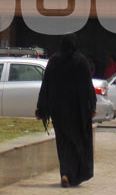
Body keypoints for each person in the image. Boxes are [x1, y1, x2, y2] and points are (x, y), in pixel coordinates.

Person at [36, 33, 96, 188]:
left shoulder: (54, 61)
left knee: (63, 143)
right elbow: (88, 86)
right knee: (77, 143)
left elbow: (46, 84)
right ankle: (72, 174)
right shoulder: (81, 61)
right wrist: (92, 106)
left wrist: (41, 107)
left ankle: (65, 173)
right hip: (77, 112)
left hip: (59, 112)